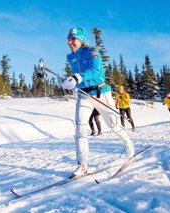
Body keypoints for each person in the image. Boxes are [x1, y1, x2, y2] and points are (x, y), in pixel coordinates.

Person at [60, 27, 135, 177]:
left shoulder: (92, 52)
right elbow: (76, 77)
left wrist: (78, 77)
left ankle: (129, 147)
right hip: (83, 95)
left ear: (81, 39)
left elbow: (97, 72)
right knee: (80, 128)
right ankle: (82, 165)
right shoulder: (71, 57)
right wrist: (69, 82)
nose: (69, 42)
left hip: (100, 93)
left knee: (114, 125)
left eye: (73, 39)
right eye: (68, 39)